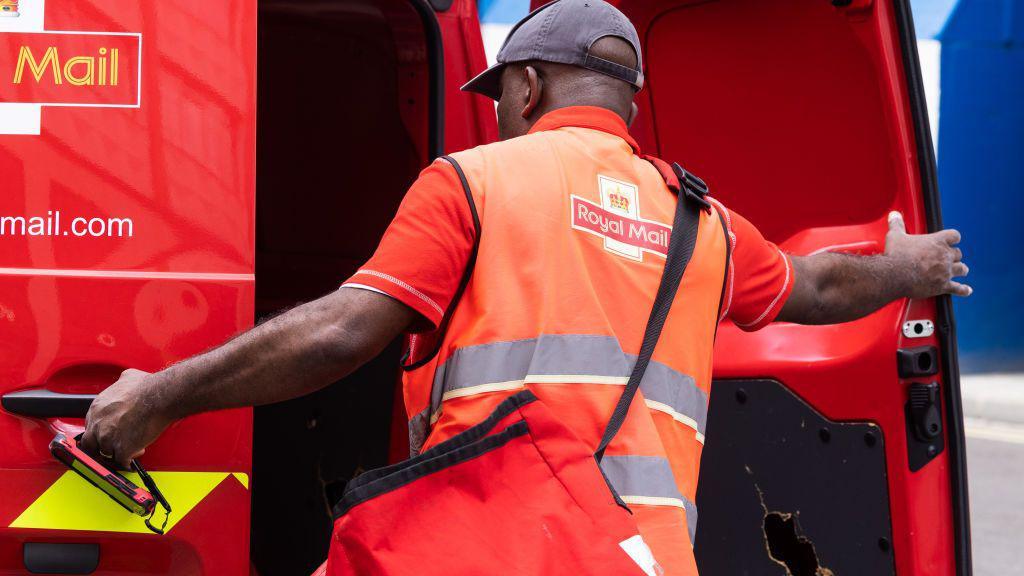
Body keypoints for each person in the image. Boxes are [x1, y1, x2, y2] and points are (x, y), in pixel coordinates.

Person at [82, 0, 969, 573]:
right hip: (642, 559)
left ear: (530, 85)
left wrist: (160, 396)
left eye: (501, 92)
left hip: (494, 545)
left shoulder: (473, 181)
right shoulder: (701, 221)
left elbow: (342, 333)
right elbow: (813, 286)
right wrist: (909, 267)